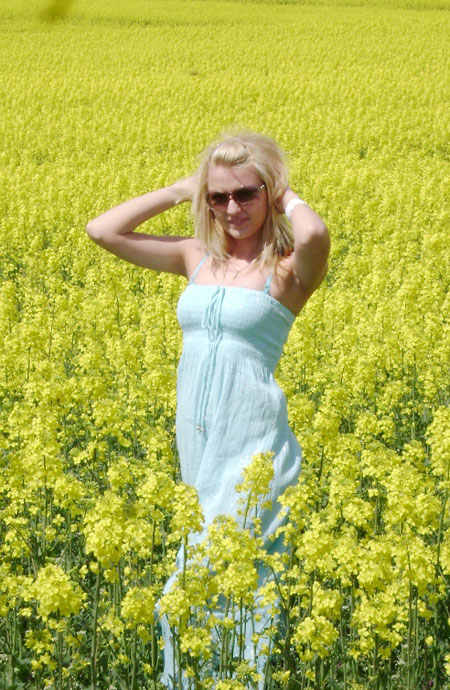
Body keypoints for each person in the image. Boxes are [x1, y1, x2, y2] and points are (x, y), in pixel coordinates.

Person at [86, 130, 330, 686]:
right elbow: (102, 230)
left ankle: (239, 679)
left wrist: (284, 192)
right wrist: (183, 189)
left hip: (254, 444)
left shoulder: (289, 268)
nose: (231, 208)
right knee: (199, 583)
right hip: (198, 438)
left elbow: (314, 230)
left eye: (246, 193)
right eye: (218, 197)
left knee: (226, 580)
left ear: (268, 193)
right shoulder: (195, 256)